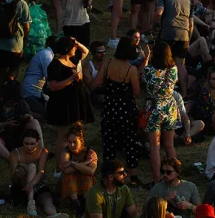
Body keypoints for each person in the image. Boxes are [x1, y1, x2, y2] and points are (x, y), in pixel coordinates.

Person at [90, 37, 144, 186]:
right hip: (126, 109)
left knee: (109, 142)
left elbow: (98, 82)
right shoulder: (131, 70)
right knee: (130, 142)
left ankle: (108, 175)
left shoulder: (107, 63)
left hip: (110, 107)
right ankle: (133, 177)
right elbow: (137, 92)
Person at [46, 36, 93, 166]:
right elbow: (53, 86)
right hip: (63, 103)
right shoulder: (55, 65)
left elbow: (85, 52)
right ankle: (60, 167)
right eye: (73, 46)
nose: (76, 48)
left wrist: (76, 42)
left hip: (76, 101)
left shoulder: (73, 59)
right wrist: (71, 79)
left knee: (77, 132)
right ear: (67, 49)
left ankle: (76, 161)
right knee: (63, 137)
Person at [142, 42, 181, 182]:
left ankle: (156, 180)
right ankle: (174, 177)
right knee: (169, 145)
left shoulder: (148, 70)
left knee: (154, 148)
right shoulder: (173, 69)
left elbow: (143, 78)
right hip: (169, 107)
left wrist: (146, 58)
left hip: (153, 107)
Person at [155, 0, 192, 95]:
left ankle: (161, 90)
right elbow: (191, 24)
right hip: (184, 35)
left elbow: (159, 12)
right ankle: (184, 93)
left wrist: (153, 24)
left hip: (168, 33)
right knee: (180, 65)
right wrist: (188, 37)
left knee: (162, 60)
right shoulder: (188, 1)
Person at [58, 121, 98, 217]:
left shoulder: (90, 153)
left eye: (75, 142)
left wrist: (72, 164)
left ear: (82, 141)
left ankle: (85, 202)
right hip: (70, 186)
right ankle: (76, 204)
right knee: (69, 175)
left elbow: (91, 171)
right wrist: (84, 163)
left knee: (86, 175)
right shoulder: (66, 152)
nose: (71, 145)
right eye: (69, 142)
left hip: (84, 185)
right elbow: (65, 170)